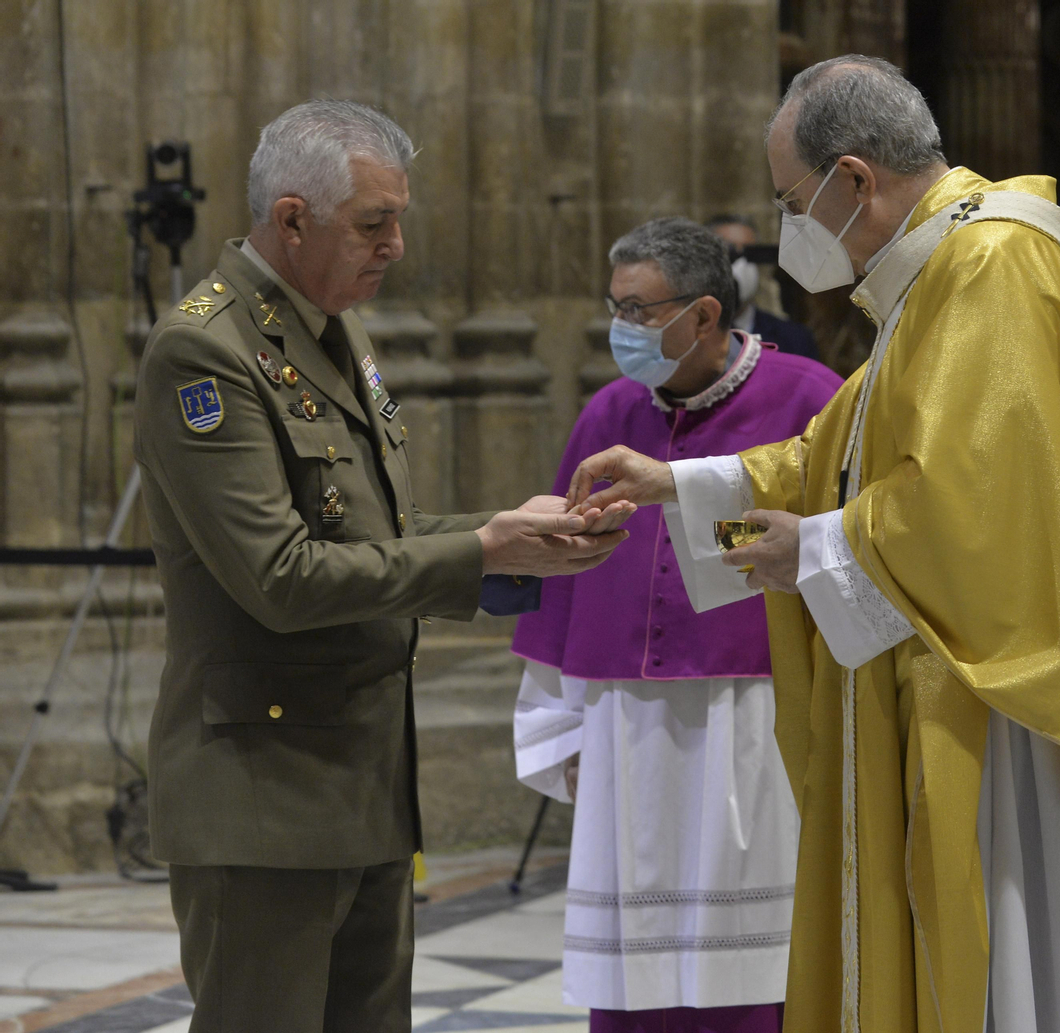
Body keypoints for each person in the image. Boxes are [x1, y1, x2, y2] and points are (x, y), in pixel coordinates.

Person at [565, 56, 1060, 1033]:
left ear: (853, 179)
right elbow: (844, 450)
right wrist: (678, 486)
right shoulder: (942, 269)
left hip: (994, 695)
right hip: (950, 666)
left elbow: (972, 509)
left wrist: (816, 549)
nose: (792, 227)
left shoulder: (989, 262)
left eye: (793, 200)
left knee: (1004, 950)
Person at [133, 100, 631, 1033]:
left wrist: (511, 528)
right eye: (374, 223)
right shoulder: (204, 352)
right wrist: (482, 551)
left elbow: (374, 529)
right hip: (263, 794)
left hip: (360, 779)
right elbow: (281, 576)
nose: (396, 245)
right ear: (291, 219)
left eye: (397, 218)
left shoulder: (334, 332)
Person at [510, 217, 842, 1032]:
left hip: (756, 724)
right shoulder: (608, 412)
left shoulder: (809, 398)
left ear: (702, 315)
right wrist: (561, 726)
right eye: (615, 308)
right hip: (627, 733)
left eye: (638, 309)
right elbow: (562, 574)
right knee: (634, 976)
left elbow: (808, 545)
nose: (622, 329)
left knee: (755, 970)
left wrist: (695, 508)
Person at [705, 214, 822, 361]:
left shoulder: (793, 338)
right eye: (730, 254)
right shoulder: (689, 333)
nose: (742, 266)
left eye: (750, 254)